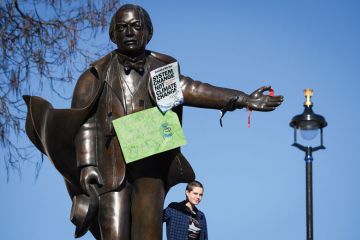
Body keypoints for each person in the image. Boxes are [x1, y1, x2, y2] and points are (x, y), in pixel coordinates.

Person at [24, 4, 283, 240]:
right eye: (122, 27)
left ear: (148, 32)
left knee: (149, 234)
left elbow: (193, 89)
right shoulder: (95, 75)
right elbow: (85, 123)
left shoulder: (160, 69)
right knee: (114, 235)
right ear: (113, 34)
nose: (129, 32)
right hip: (110, 170)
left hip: (151, 166)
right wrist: (88, 166)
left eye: (136, 26)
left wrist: (242, 99)